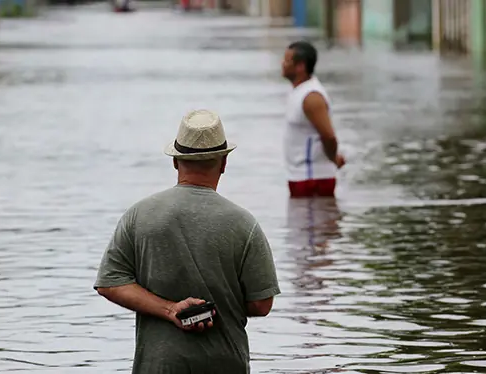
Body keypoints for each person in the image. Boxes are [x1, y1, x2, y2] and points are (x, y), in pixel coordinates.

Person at [94, 109, 281, 374]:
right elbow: (261, 304)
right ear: (224, 162)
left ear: (175, 161)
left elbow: (110, 283)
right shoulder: (244, 224)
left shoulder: (139, 215)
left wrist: (171, 309)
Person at [281, 41, 345, 198]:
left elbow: (329, 136)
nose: (282, 64)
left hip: (313, 178)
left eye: (287, 60)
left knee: (317, 222)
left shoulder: (312, 97)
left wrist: (334, 159)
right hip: (301, 176)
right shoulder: (298, 91)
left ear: (300, 66)